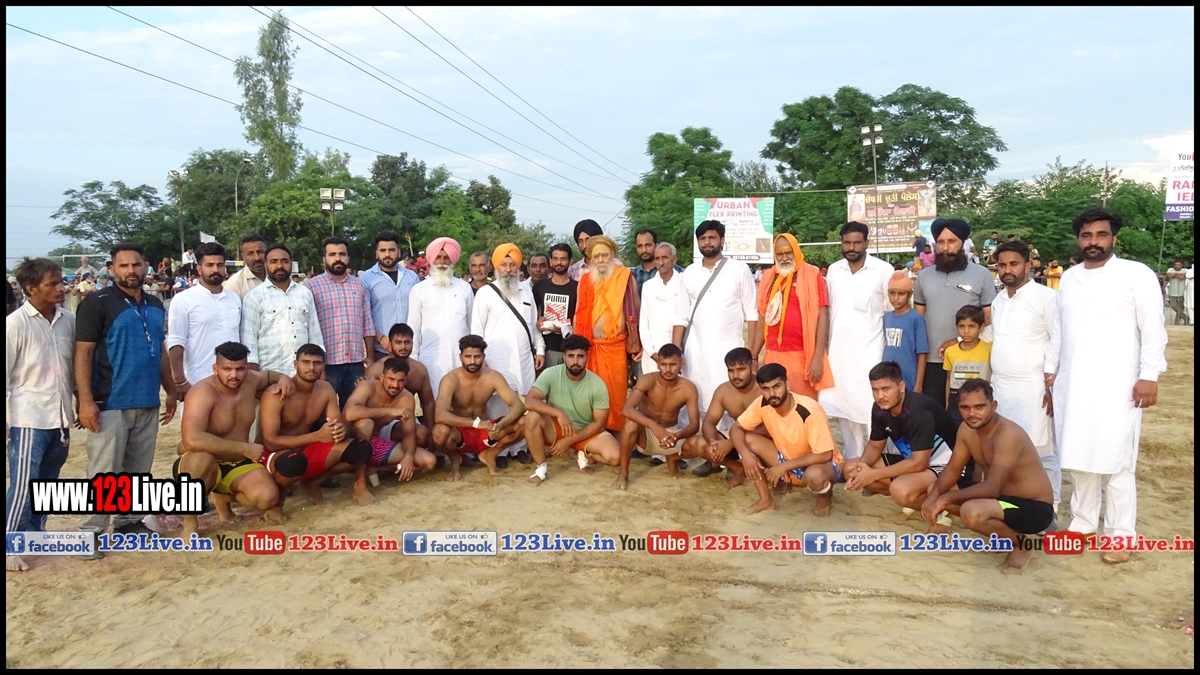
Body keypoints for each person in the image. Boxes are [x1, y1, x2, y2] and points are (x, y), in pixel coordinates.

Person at [1045, 208, 1167, 564]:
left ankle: (1120, 535)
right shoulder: (1069, 278)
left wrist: (1149, 376)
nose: (1093, 242)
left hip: (1120, 386)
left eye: (1101, 235)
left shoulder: (1136, 274)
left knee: (1117, 462)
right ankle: (1082, 524)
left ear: (1114, 238)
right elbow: (1059, 330)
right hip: (1073, 384)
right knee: (1078, 456)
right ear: (1078, 239)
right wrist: (1050, 372)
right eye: (1086, 235)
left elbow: (1153, 329)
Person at [74, 243, 177, 549]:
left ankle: (128, 522)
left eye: (136, 264)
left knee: (138, 468)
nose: (131, 270)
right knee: (104, 471)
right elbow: (83, 353)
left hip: (147, 398)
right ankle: (91, 531)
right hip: (110, 400)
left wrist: (171, 390)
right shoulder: (97, 303)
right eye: (124, 265)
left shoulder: (156, 304)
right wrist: (85, 401)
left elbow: (160, 350)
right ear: (112, 268)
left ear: (146, 266)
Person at [922, 380, 1055, 573]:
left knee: (971, 512)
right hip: (1001, 500)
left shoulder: (1008, 434)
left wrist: (944, 499)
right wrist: (934, 497)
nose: (972, 413)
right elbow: (952, 469)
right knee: (933, 490)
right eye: (965, 407)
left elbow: (992, 487)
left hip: (1033, 508)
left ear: (993, 406)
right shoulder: (966, 430)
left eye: (979, 407)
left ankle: (1022, 545)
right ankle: (1004, 538)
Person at [175, 342, 294, 538]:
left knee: (267, 498)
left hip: (236, 463)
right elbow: (191, 439)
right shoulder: (202, 392)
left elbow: (268, 375)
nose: (234, 375)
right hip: (204, 462)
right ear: (215, 368)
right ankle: (190, 520)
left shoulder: (250, 381)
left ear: (247, 368)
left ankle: (222, 494)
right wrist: (244, 448)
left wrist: (283, 378)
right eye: (227, 369)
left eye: (240, 369)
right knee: (201, 460)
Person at [674, 220, 759, 478]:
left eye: (712, 238)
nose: (707, 242)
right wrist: (677, 352)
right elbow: (680, 316)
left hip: (729, 354)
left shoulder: (739, 270)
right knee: (702, 406)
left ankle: (737, 458)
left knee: (733, 408)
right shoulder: (688, 273)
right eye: (703, 239)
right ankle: (712, 459)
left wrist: (752, 354)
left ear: (722, 240)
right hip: (696, 353)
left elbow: (752, 313)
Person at [6, 258, 75, 572]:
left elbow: (72, 368)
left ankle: (35, 535)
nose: (61, 288)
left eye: (61, 281)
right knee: (23, 484)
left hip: (60, 417)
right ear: (30, 288)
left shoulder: (68, 320)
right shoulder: (15, 324)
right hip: (28, 417)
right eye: (52, 284)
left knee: (47, 484)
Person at [843, 362, 967, 531]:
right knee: (851, 468)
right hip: (914, 456)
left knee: (900, 490)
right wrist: (862, 469)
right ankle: (917, 497)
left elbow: (919, 463)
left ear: (901, 386)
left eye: (886, 389)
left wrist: (872, 475)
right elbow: (875, 444)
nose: (880, 396)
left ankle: (942, 510)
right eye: (875, 390)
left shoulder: (918, 411)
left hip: (947, 463)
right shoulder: (880, 408)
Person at [987, 241, 1060, 512]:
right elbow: (995, 334)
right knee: (1006, 451)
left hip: (1034, 388)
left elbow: (1059, 342)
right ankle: (1016, 506)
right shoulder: (998, 300)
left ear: (1028, 265)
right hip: (1001, 388)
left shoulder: (1047, 298)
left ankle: (1050, 509)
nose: (1007, 270)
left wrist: (1052, 386)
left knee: (1042, 452)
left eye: (1014, 264)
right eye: (1002, 265)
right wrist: (957, 341)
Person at [819, 221, 893, 462]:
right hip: (839, 354)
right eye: (847, 243)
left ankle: (876, 465)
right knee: (844, 410)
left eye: (857, 243)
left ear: (866, 243)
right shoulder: (834, 270)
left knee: (872, 409)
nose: (851, 247)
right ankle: (852, 460)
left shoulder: (883, 270)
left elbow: (892, 311)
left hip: (870, 353)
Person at [258, 344, 368, 504]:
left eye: (317, 363)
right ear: (296, 364)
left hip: (305, 449)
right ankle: (277, 504)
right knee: (293, 461)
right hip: (275, 455)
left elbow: (338, 423)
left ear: (323, 365)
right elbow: (270, 442)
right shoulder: (275, 394)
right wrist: (317, 436)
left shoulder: (325, 389)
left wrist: (340, 430)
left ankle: (316, 483)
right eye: (306, 362)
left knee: (360, 447)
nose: (311, 368)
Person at [732, 363, 841, 517]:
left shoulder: (809, 410)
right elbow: (736, 428)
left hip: (820, 464)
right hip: (787, 458)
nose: (772, 394)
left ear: (787, 385)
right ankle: (765, 500)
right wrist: (745, 455)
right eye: (765, 389)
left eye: (776, 386)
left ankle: (825, 495)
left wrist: (783, 467)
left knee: (815, 477)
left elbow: (825, 454)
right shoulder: (762, 403)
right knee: (747, 439)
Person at [470, 243, 544, 465]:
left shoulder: (526, 291)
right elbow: (476, 331)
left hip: (524, 359)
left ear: (519, 267)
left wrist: (540, 350)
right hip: (496, 361)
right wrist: (480, 362)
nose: (508, 269)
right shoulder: (485, 293)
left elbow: (534, 326)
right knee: (498, 406)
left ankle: (520, 448)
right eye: (504, 264)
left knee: (524, 402)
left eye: (512, 265)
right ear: (496, 267)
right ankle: (499, 451)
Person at [913, 218, 996, 408]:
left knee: (967, 414)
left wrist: (958, 341)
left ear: (962, 243)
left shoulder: (982, 274)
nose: (945, 247)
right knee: (933, 414)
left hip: (969, 360)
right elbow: (918, 320)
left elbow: (989, 319)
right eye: (940, 242)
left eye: (952, 241)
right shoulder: (924, 276)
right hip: (931, 361)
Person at [522, 334, 620, 486]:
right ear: (564, 357)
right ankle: (541, 470)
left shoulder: (597, 384)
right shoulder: (551, 373)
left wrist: (569, 441)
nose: (575, 361)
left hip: (585, 431)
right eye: (571, 356)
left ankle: (584, 454)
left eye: (580, 356)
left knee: (615, 458)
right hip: (557, 428)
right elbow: (529, 401)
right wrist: (558, 413)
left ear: (587, 358)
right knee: (531, 417)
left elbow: (600, 424)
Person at [431, 335, 526, 480]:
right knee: (439, 432)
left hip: (486, 432)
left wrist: (501, 425)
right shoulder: (451, 379)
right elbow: (439, 415)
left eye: (477, 356)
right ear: (460, 357)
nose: (472, 361)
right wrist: (476, 423)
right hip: (460, 434)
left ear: (483, 356)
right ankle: (456, 459)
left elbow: (519, 406)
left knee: (525, 422)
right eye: (468, 356)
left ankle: (490, 455)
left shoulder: (493, 376)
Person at [750, 232, 831, 399]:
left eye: (788, 252)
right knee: (775, 402)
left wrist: (818, 358)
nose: (784, 258)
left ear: (796, 251)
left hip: (802, 356)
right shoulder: (768, 277)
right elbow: (763, 317)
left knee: (802, 406)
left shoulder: (812, 274)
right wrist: (754, 355)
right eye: (780, 254)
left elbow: (823, 316)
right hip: (773, 353)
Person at [575, 235, 641, 434]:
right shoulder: (585, 281)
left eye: (604, 255)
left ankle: (616, 433)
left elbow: (635, 312)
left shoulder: (624, 277)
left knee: (615, 395)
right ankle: (593, 434)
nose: (601, 260)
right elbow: (578, 313)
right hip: (591, 348)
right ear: (591, 260)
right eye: (596, 256)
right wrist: (578, 346)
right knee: (590, 394)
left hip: (615, 348)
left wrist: (636, 343)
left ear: (612, 256)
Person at [344, 357, 438, 496]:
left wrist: (408, 457)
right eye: (391, 379)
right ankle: (360, 482)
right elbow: (350, 414)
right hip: (350, 442)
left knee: (429, 461)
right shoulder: (367, 386)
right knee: (366, 424)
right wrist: (389, 411)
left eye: (400, 381)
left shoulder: (406, 398)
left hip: (376, 442)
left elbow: (409, 433)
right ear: (382, 377)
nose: (395, 385)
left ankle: (376, 469)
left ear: (406, 380)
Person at [307, 237, 377, 407]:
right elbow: (308, 326)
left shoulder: (359, 286)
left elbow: (367, 324)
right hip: (326, 363)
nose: (337, 258)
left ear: (348, 258)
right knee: (322, 411)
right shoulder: (311, 287)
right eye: (332, 254)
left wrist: (370, 358)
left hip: (355, 362)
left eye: (342, 254)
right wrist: (315, 363)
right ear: (324, 259)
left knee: (353, 409)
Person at [617, 344, 701, 486]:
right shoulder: (648, 380)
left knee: (701, 445)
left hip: (671, 435)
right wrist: (655, 427)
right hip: (646, 435)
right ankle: (623, 472)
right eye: (664, 364)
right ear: (658, 364)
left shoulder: (688, 388)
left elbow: (694, 425)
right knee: (631, 423)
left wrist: (677, 435)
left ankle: (672, 458)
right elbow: (627, 409)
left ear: (681, 364)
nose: (668, 369)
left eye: (672, 365)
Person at [168, 242, 241, 400]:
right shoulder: (183, 300)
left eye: (220, 265)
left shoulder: (234, 299)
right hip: (197, 382)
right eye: (209, 265)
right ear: (199, 269)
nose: (215, 270)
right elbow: (176, 342)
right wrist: (180, 381)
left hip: (233, 383)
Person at [681, 348, 760, 488]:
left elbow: (769, 428)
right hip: (738, 438)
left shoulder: (763, 389)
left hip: (762, 441)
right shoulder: (723, 390)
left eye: (741, 369)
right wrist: (713, 443)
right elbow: (709, 422)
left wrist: (731, 442)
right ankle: (736, 467)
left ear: (752, 367)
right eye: (731, 370)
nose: (736, 375)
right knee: (699, 443)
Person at [241, 243, 323, 376]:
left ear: (291, 263)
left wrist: (320, 370)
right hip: (270, 375)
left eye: (284, 261)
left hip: (303, 375)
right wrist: (255, 378)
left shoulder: (305, 293)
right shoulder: (254, 297)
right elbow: (249, 342)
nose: (279, 266)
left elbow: (315, 335)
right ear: (265, 264)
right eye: (273, 261)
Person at [408, 237, 473, 402]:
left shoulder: (464, 288)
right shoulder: (419, 290)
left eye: (446, 257)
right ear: (431, 259)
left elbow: (472, 325)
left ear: (453, 260)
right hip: (431, 360)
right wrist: (414, 362)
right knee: (434, 404)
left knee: (462, 403)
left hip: (461, 357)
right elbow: (414, 328)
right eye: (438, 257)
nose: (442, 262)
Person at [363, 323, 435, 448]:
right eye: (398, 342)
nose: (403, 347)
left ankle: (403, 453)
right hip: (381, 423)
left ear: (412, 343)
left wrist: (431, 432)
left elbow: (428, 403)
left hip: (407, 418)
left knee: (423, 435)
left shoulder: (420, 370)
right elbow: (363, 403)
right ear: (390, 344)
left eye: (407, 342)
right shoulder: (376, 369)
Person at [361, 231, 421, 359]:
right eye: (382, 250)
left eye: (391, 250)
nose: (387, 254)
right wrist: (380, 338)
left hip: (410, 348)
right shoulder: (366, 279)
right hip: (382, 348)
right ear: (376, 253)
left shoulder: (412, 277)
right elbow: (363, 316)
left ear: (398, 252)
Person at [639, 243, 683, 375]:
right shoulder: (648, 287)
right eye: (657, 258)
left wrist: (677, 356)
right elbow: (644, 324)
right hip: (653, 353)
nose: (661, 262)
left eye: (665, 258)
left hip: (680, 353)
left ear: (674, 259)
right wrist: (653, 354)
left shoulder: (684, 283)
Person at [533, 243, 578, 370]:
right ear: (550, 261)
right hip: (547, 350)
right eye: (555, 259)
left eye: (563, 259)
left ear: (570, 261)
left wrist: (569, 329)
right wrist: (538, 323)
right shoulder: (540, 286)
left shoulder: (577, 287)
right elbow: (531, 315)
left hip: (570, 349)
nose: (559, 262)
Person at [882, 271, 928, 392]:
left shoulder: (916, 318)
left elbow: (922, 353)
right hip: (887, 377)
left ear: (910, 294)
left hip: (909, 378)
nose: (896, 298)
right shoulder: (886, 318)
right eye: (892, 293)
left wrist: (918, 384)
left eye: (901, 293)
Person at [942, 305, 992, 415]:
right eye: (962, 326)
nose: (966, 331)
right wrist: (947, 405)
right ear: (956, 327)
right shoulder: (950, 351)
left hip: (980, 400)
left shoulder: (990, 350)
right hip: (956, 400)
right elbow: (949, 380)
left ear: (981, 327)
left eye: (971, 326)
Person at [222, 234, 268, 299]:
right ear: (243, 257)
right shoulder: (234, 285)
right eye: (250, 253)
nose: (257, 258)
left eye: (260, 252)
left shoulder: (278, 276)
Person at [1166, 259, 1189, 325]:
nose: (1176, 266)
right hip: (1172, 292)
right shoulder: (1170, 269)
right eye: (1175, 265)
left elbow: (1183, 277)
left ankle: (1177, 323)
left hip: (1182, 293)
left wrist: (1174, 275)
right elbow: (1169, 275)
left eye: (1178, 265)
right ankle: (1186, 318)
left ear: (1182, 265)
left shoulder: (1186, 270)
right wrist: (1179, 275)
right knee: (1174, 306)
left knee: (1180, 308)